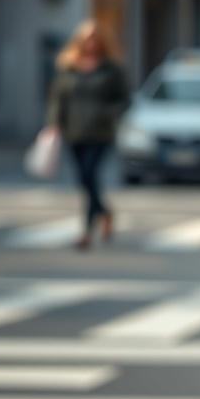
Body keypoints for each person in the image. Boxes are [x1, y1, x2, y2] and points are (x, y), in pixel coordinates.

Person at [45, 20, 130, 250]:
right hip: (74, 131)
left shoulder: (111, 69)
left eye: (95, 39)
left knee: (90, 175)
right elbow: (57, 98)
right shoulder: (69, 66)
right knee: (84, 179)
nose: (91, 43)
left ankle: (86, 231)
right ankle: (104, 212)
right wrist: (53, 124)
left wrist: (108, 113)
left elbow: (124, 100)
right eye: (87, 39)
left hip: (100, 133)